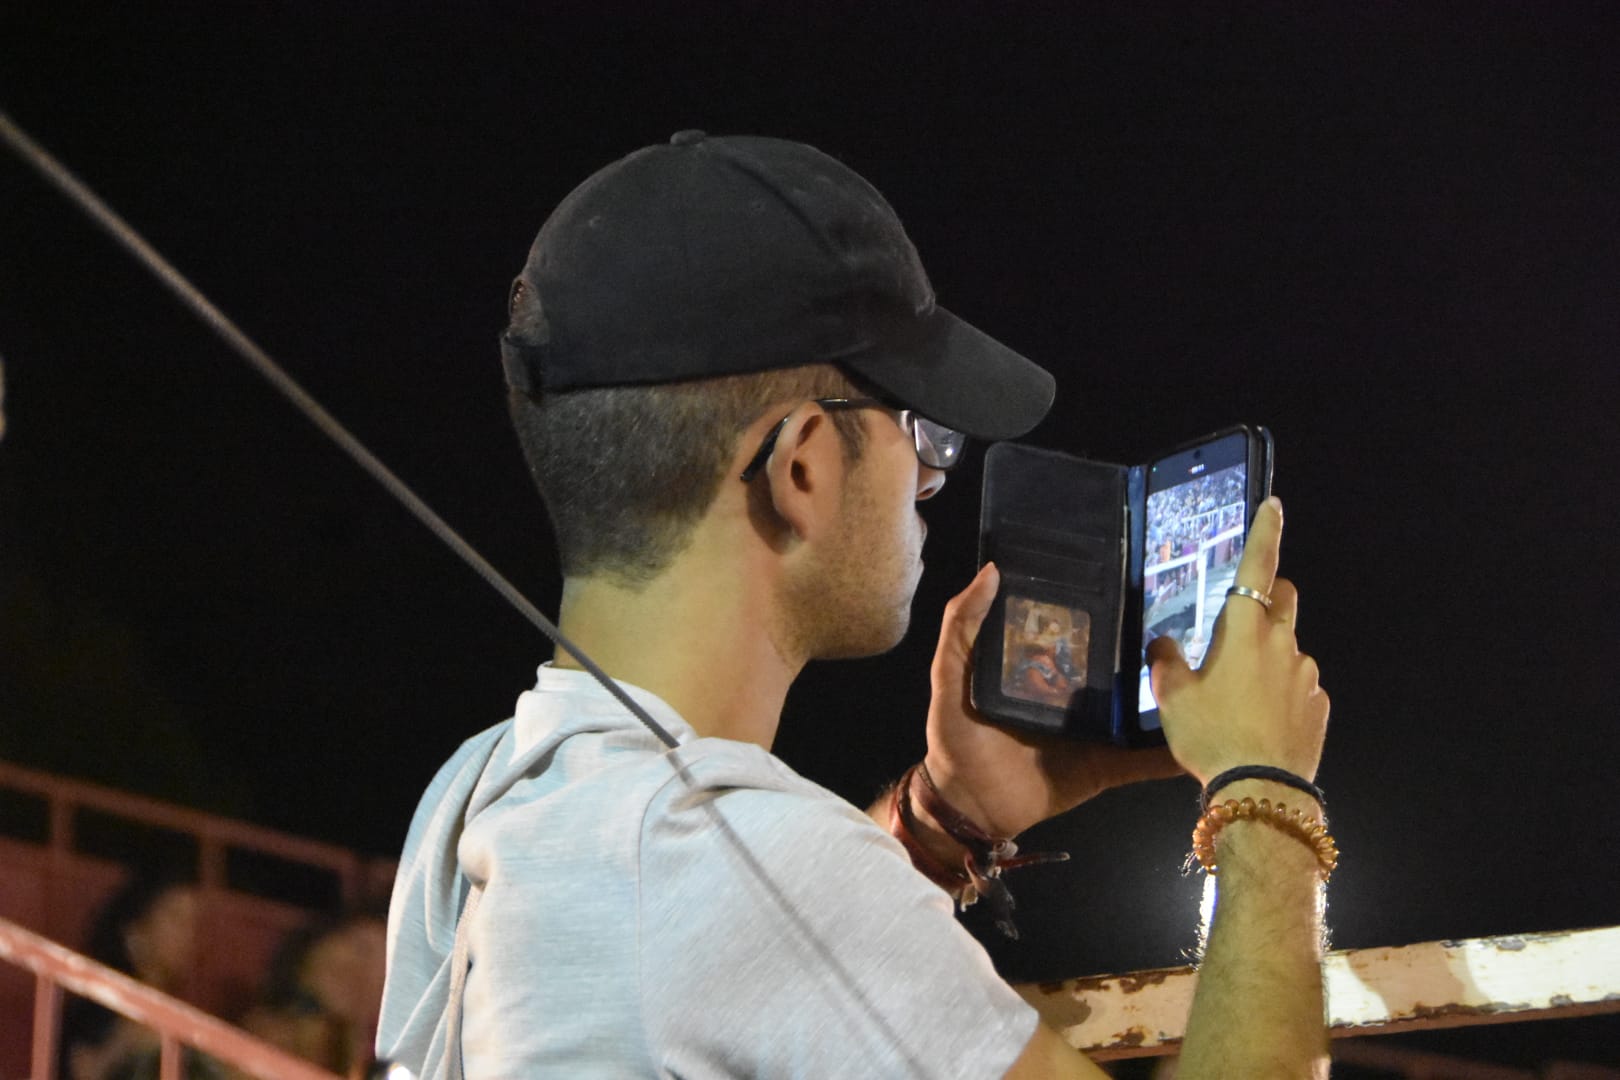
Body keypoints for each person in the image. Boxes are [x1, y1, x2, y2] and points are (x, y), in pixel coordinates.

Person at [377, 132, 1331, 1077]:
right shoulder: (741, 861)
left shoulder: (477, 794)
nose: (928, 478)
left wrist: (942, 822)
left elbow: (728, 960)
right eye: (919, 427)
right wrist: (1264, 795)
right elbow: (740, 915)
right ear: (800, 465)